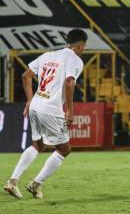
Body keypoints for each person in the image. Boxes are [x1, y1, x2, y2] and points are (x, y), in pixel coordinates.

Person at [3, 29, 87, 198]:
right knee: (64, 149)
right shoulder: (75, 60)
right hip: (51, 108)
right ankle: (35, 184)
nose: (83, 50)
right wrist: (70, 110)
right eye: (83, 47)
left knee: (37, 144)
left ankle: (12, 182)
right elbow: (69, 82)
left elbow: (26, 76)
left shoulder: (48, 55)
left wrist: (29, 100)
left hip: (37, 104)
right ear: (79, 45)